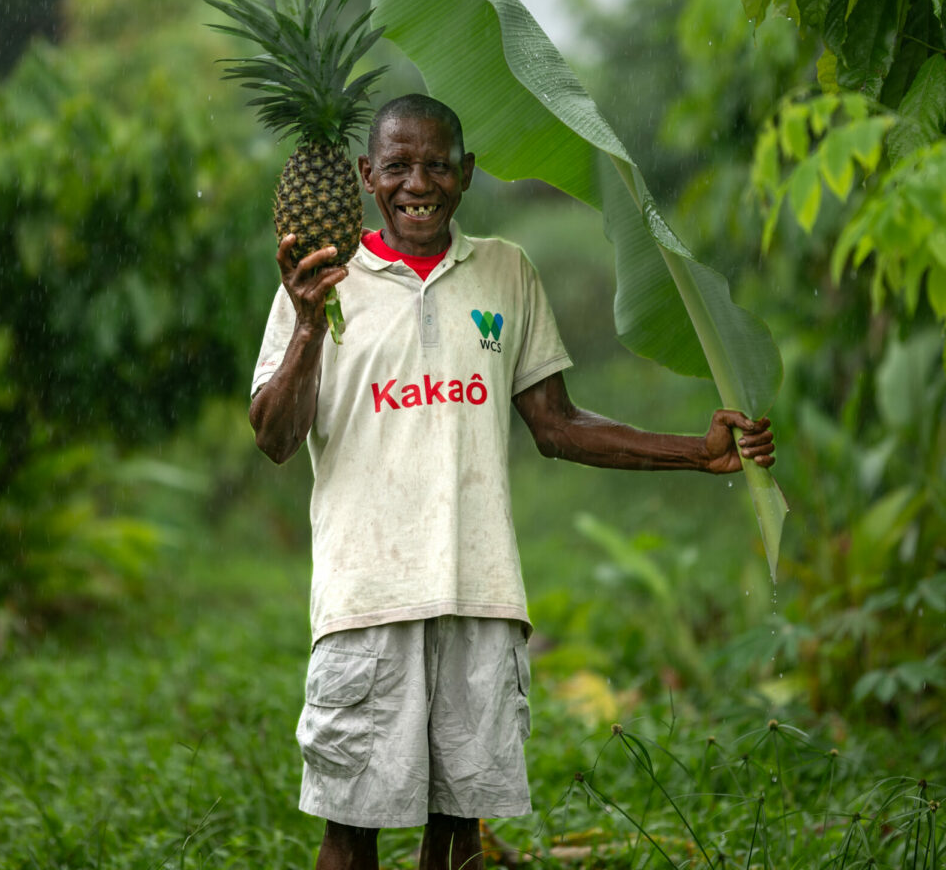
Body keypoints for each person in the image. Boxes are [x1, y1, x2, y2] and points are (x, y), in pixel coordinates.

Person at [249, 94, 775, 870]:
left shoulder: (506, 271)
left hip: (482, 597)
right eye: (396, 165)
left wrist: (695, 453)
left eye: (436, 164)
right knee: (348, 835)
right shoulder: (319, 283)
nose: (416, 183)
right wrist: (306, 322)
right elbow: (276, 438)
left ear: (467, 173)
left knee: (459, 834)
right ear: (366, 175)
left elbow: (557, 425)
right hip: (367, 601)